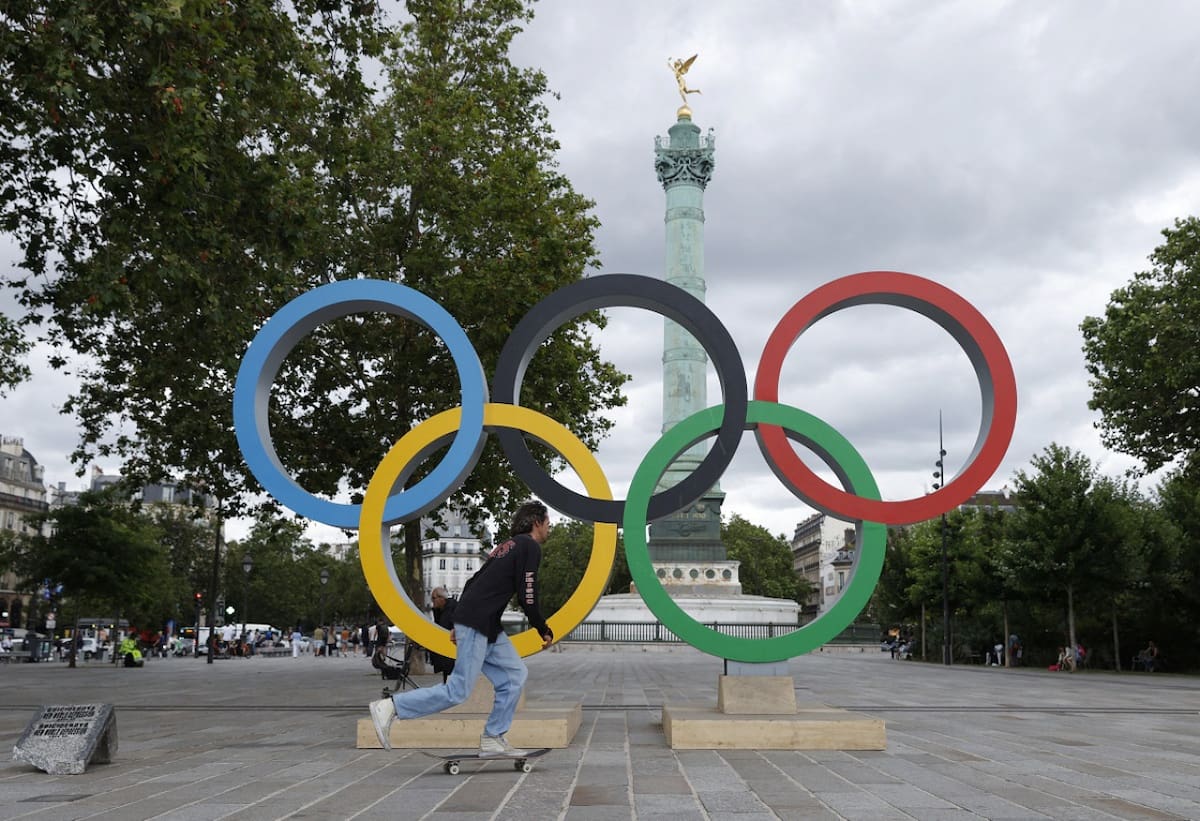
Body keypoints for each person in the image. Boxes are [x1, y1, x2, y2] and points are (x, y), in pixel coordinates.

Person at [369, 501, 555, 756]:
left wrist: (458, 621)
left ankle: (493, 737)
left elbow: (472, 582)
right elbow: (528, 596)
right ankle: (391, 706)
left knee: (514, 676)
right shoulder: (529, 547)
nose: (549, 527)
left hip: (485, 624)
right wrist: (542, 628)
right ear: (536, 523)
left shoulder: (505, 547)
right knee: (458, 690)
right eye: (547, 522)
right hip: (478, 621)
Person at [429, 587, 458, 683]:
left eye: (433, 598)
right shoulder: (441, 611)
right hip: (447, 654)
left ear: (442, 598)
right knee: (447, 678)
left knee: (450, 678)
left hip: (451, 653)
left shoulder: (451, 610)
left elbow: (443, 628)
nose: (432, 601)